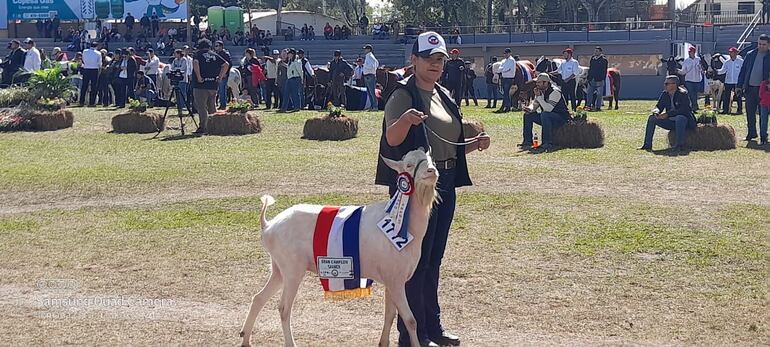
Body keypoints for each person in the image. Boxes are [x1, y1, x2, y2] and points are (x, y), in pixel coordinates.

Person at [376, 31, 490, 347]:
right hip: (415, 191)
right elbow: (392, 140)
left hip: (445, 185)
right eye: (428, 59)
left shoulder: (444, 94)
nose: (435, 64)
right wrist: (407, 121)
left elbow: (446, 148)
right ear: (414, 60)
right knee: (414, 263)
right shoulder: (403, 96)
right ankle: (412, 334)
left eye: (439, 59)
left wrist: (473, 145)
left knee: (433, 261)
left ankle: (433, 327)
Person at [640, 75, 696, 152]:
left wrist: (667, 114)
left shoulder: (683, 94)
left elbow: (684, 110)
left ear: (674, 85)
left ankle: (679, 145)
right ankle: (647, 144)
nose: (665, 85)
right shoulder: (665, 94)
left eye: (667, 84)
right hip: (670, 121)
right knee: (652, 118)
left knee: (680, 118)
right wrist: (656, 111)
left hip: (684, 122)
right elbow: (659, 106)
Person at [520, 73, 571, 152]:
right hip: (548, 117)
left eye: (539, 82)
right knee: (528, 115)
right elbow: (535, 104)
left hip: (561, 119)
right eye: (537, 82)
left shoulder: (555, 92)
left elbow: (548, 109)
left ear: (546, 83)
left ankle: (547, 143)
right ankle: (527, 141)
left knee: (545, 114)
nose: (537, 84)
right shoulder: (540, 90)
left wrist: (539, 97)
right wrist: (529, 109)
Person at [193, 39, 230, 134]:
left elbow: (196, 63)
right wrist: (220, 77)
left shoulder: (198, 54)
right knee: (212, 107)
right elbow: (226, 64)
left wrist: (199, 77)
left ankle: (203, 127)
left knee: (201, 106)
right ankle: (214, 126)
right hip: (213, 84)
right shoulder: (214, 54)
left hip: (201, 85)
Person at [737, 34, 770, 142]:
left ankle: (763, 136)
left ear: (768, 45)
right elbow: (743, 71)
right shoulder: (750, 54)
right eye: (759, 43)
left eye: (764, 44)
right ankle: (751, 133)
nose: (761, 46)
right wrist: (739, 85)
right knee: (750, 112)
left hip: (764, 91)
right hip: (750, 88)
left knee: (763, 115)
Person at [718, 47, 744, 115]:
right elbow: (723, 70)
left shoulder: (741, 61)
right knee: (726, 96)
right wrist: (716, 71)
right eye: (730, 52)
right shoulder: (727, 62)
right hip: (728, 81)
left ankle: (739, 110)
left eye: (732, 52)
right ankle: (725, 110)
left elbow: (743, 71)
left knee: (738, 96)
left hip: (737, 81)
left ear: (736, 53)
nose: (730, 54)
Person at [680, 46, 703, 112]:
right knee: (691, 93)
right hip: (689, 80)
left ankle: (693, 106)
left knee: (695, 94)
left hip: (697, 79)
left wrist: (700, 68)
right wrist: (678, 71)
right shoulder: (686, 61)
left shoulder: (699, 60)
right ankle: (694, 107)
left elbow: (702, 70)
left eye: (691, 52)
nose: (690, 53)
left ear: (694, 52)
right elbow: (683, 71)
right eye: (689, 52)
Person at [80, 42, 102, 107]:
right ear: (96, 46)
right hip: (94, 70)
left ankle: (82, 101)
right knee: (93, 87)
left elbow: (83, 60)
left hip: (86, 69)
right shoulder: (98, 53)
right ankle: (92, 102)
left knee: (84, 86)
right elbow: (99, 63)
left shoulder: (85, 51)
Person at [212, 40, 232, 110]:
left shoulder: (225, 54)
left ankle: (223, 104)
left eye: (217, 46)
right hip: (218, 74)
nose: (215, 47)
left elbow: (229, 64)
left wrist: (225, 73)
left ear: (221, 46)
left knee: (222, 90)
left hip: (223, 74)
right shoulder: (217, 53)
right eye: (215, 46)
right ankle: (221, 103)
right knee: (219, 90)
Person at [587, 46, 608, 111]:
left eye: (597, 51)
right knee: (589, 93)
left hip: (599, 79)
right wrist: (589, 77)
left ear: (600, 52)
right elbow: (590, 68)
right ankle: (588, 106)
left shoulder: (604, 60)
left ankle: (598, 107)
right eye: (595, 51)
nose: (595, 52)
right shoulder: (592, 59)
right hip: (591, 79)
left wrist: (602, 78)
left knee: (599, 94)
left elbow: (604, 70)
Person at [496, 48, 516, 113]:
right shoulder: (503, 61)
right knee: (505, 93)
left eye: (507, 53)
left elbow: (508, 69)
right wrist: (503, 69)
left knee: (506, 93)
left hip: (509, 78)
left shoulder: (512, 60)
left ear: (510, 53)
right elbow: (499, 69)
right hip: (504, 78)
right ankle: (506, 106)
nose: (505, 54)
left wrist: (502, 69)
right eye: (504, 53)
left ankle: (508, 107)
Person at [171, 49, 189, 114]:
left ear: (179, 54)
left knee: (182, 93)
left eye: (175, 53)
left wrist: (176, 70)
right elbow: (172, 68)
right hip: (176, 79)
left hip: (183, 79)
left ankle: (183, 105)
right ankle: (179, 105)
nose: (175, 55)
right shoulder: (175, 60)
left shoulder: (184, 60)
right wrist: (176, 70)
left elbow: (183, 68)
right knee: (177, 93)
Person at [363, 44, 380, 111]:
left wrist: (365, 66)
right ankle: (372, 106)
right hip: (368, 75)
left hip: (369, 75)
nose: (365, 50)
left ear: (369, 50)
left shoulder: (370, 56)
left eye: (366, 49)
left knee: (372, 92)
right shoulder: (369, 56)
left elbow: (372, 66)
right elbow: (377, 63)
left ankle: (375, 106)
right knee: (369, 92)